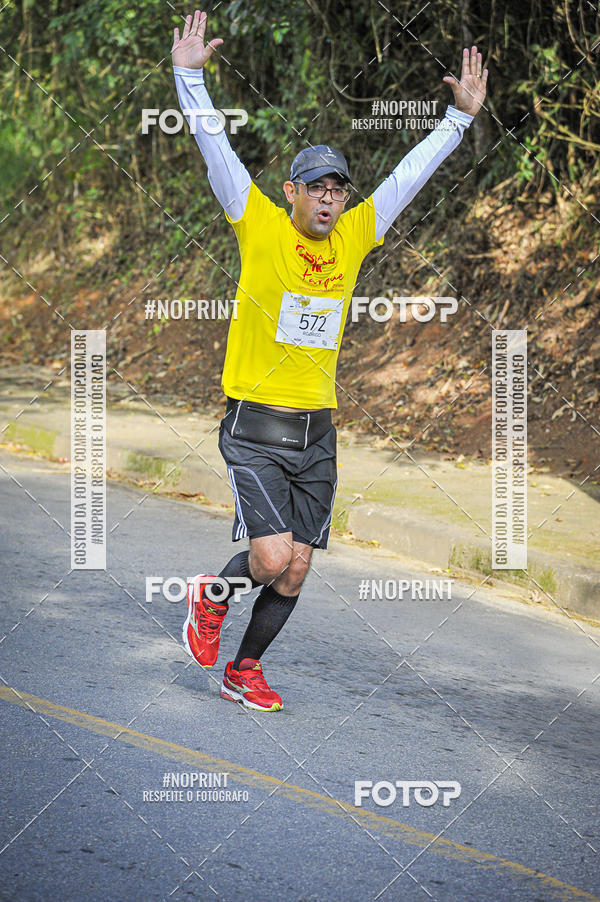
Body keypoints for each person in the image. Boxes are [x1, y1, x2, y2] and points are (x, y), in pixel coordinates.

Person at [171, 9, 488, 711]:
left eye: (337, 188)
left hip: (317, 430)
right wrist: (188, 78)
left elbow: (408, 176)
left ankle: (243, 670)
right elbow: (215, 146)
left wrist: (459, 120)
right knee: (270, 557)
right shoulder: (257, 223)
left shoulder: (354, 235)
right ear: (291, 192)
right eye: (316, 187)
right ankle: (210, 596)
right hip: (256, 424)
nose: (328, 198)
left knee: (295, 569)